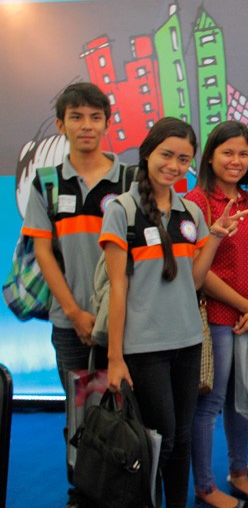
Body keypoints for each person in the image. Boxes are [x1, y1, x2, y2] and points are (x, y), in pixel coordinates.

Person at [100, 117, 248, 508]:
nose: (174, 166)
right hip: (143, 346)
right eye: (166, 155)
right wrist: (115, 358)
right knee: (159, 438)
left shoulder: (189, 212)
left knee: (181, 438)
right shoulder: (122, 210)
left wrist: (214, 237)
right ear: (147, 153)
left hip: (188, 341)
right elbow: (117, 289)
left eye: (183, 159)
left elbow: (195, 281)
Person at [21, 82, 133, 506]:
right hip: (69, 322)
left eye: (95, 117)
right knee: (79, 409)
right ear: (61, 125)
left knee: (125, 407)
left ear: (107, 123)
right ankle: (83, 490)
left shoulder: (129, 179)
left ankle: (124, 487)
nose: (86, 125)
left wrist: (106, 317)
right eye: (76, 117)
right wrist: (73, 311)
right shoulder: (47, 182)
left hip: (124, 323)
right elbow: (43, 252)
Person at [187, 121, 248, 508]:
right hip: (217, 318)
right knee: (210, 403)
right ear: (210, 156)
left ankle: (239, 473)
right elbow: (198, 272)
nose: (235, 160)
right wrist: (246, 307)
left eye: (243, 153)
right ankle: (205, 486)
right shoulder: (196, 203)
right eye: (227, 152)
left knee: (243, 400)